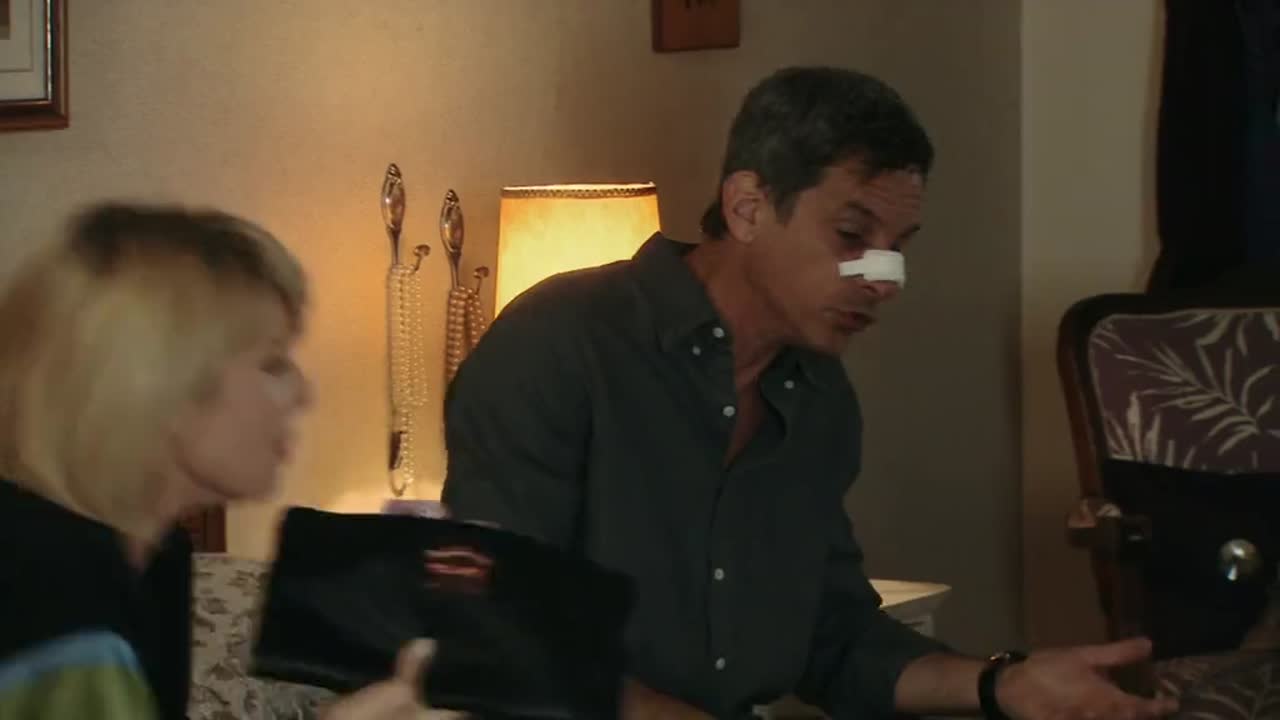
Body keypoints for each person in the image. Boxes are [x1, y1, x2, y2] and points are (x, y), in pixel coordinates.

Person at [441, 67, 1180, 719]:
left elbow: (834, 638)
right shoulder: (562, 346)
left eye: (898, 247)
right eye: (852, 237)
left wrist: (1003, 685)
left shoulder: (818, 398)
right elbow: (504, 628)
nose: (884, 280)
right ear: (748, 208)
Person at [0, 204, 461, 720]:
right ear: (162, 384)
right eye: (273, 363)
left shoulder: (156, 555)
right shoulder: (57, 606)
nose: (302, 394)